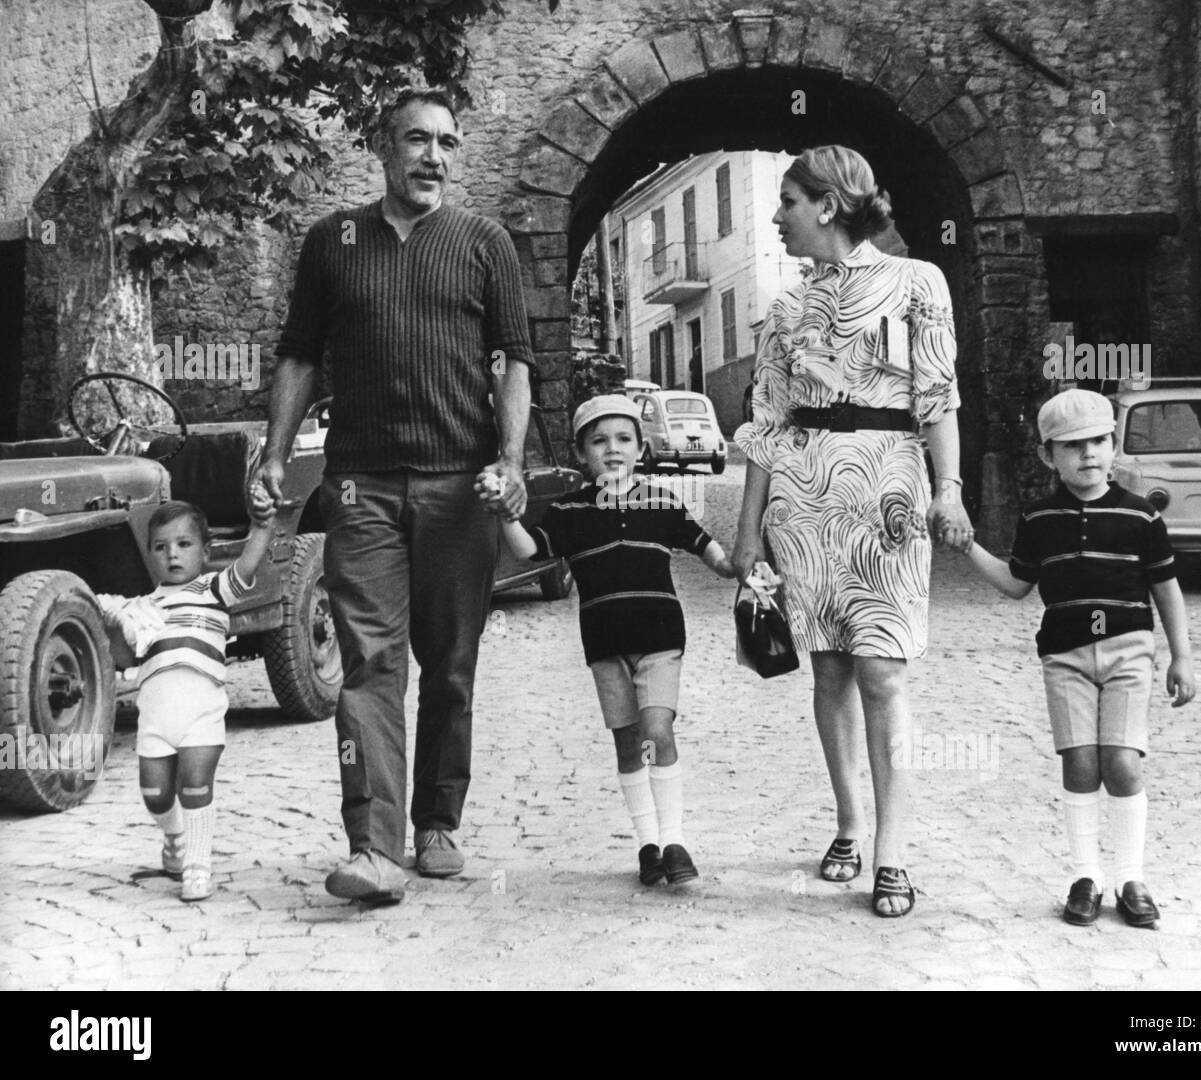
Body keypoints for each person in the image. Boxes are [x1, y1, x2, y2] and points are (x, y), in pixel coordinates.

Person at [252, 88, 533, 905]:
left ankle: (437, 820)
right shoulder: (332, 242)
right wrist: (274, 454)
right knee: (369, 665)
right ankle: (373, 847)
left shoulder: (484, 243)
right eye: (417, 140)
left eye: (447, 142)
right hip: (359, 484)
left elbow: (516, 359)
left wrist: (510, 462)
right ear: (383, 148)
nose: (434, 156)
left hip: (459, 486)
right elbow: (300, 355)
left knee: (449, 665)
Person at [732, 145, 973, 917]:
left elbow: (937, 398)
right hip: (804, 503)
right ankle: (849, 822)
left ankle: (893, 855)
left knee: (883, 670)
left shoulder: (917, 284)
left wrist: (952, 490)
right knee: (829, 670)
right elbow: (766, 424)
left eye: (790, 201)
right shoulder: (784, 309)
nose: (778, 216)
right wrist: (746, 537)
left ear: (829, 205)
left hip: (888, 497)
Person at [961, 389, 1196, 927]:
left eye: (1098, 441)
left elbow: (1167, 590)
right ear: (1048, 456)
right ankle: (1086, 876)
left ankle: (1131, 878)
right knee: (1081, 763)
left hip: (1130, 653)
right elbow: (1017, 583)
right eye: (1071, 446)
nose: (1087, 454)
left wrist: (1181, 656)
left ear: (1113, 446)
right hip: (1064, 657)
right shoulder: (1039, 518)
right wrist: (968, 546)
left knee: (1121, 761)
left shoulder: (1140, 516)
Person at [496, 395, 734, 885]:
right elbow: (526, 552)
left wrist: (745, 567)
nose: (613, 449)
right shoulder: (567, 511)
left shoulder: (663, 503)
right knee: (628, 743)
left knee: (657, 731)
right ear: (581, 453)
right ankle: (648, 844)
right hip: (604, 644)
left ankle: (674, 841)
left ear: (641, 448)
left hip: (661, 637)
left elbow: (713, 554)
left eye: (624, 439)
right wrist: (502, 511)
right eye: (599, 441)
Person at [101, 491, 276, 902]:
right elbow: (123, 655)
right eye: (160, 548)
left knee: (196, 785)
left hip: (201, 714)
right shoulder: (142, 608)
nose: (172, 555)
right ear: (149, 555)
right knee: (156, 793)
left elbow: (248, 563)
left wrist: (263, 526)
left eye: (183, 545)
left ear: (204, 551)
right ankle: (175, 837)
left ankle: (198, 865)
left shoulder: (214, 591)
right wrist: (113, 622)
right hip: (156, 717)